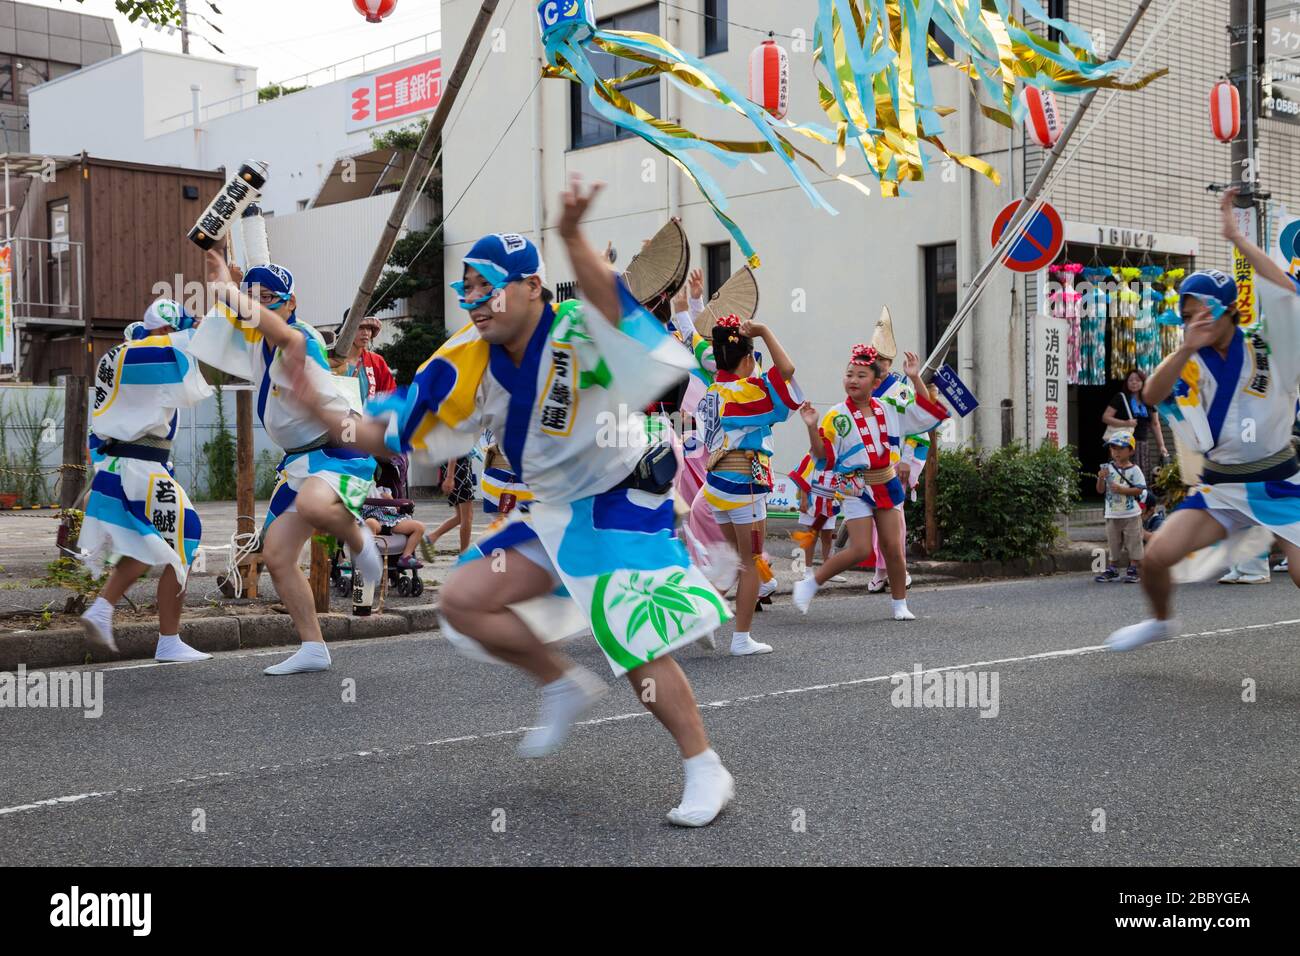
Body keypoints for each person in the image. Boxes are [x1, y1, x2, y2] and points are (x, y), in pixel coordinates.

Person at [296, 176, 736, 826]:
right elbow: (395, 425)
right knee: (464, 599)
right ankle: (559, 681)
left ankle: (706, 767)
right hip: (552, 510)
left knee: (636, 642)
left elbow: (617, 311)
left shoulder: (580, 329)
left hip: (619, 500)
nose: (476, 300)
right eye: (467, 288)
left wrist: (571, 236)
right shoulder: (464, 357)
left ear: (533, 285)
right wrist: (323, 413)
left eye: (489, 284)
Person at [1106, 188, 1300, 652]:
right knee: (1156, 557)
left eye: (1205, 312)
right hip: (1221, 489)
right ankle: (1160, 621)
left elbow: (1286, 289)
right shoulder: (1188, 360)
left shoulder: (1271, 346)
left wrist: (1236, 237)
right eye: (1188, 315)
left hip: (1280, 485)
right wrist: (1186, 346)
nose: (1196, 320)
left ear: (1229, 310)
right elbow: (1151, 395)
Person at [192, 249, 382, 675]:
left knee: (317, 507)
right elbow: (237, 323)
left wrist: (228, 286)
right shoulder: (259, 339)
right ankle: (313, 647)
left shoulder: (300, 337)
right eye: (253, 297)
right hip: (299, 460)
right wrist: (230, 285)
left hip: (337, 448)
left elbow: (274, 330)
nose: (259, 305)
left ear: (291, 303)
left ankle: (361, 543)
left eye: (270, 298)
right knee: (277, 555)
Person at [78, 299, 214, 662]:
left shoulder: (127, 356)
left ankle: (124, 619)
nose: (172, 338)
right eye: (167, 331)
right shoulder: (137, 356)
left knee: (157, 540)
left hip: (138, 465)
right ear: (154, 330)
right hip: (138, 465)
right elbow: (189, 353)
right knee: (171, 537)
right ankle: (152, 633)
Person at [792, 346, 949, 620]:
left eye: (861, 375)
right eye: (849, 374)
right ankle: (810, 582)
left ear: (876, 383)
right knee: (861, 548)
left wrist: (914, 378)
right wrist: (810, 426)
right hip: (855, 486)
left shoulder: (890, 407)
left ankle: (900, 603)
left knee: (893, 547)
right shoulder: (835, 415)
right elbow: (822, 456)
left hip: (886, 483)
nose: (853, 380)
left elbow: (925, 413)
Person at [696, 314, 803, 655]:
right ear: (746, 360)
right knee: (751, 560)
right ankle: (741, 638)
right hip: (744, 484)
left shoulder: (712, 391)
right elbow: (787, 372)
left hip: (715, 485)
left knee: (735, 557)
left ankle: (701, 618)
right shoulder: (748, 392)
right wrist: (766, 330)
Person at [1094, 431, 1146, 584]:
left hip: (1131, 514)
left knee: (1134, 541)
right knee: (1113, 542)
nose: (1116, 452)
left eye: (1120, 448)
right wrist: (1100, 478)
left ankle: (1134, 567)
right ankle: (1112, 568)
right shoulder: (1108, 468)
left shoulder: (1135, 470)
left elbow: (1140, 489)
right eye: (1113, 448)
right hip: (1112, 514)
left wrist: (1122, 490)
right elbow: (1100, 490)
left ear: (1131, 450)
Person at [1103, 368, 1168, 479]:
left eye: (1137, 380)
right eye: (1130, 380)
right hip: (1122, 445)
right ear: (1126, 383)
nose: (1134, 382)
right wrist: (1125, 423)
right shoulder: (1121, 397)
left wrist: (1161, 446)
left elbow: (1155, 424)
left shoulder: (1149, 400)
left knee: (1140, 478)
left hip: (1141, 445)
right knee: (1121, 476)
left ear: (1143, 382)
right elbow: (1106, 417)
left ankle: (1139, 496)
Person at [361, 476, 426, 570]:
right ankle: (371, 557)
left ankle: (406, 557)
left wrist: (390, 500)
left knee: (419, 527)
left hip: (391, 519)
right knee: (369, 523)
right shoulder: (360, 488)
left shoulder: (385, 490)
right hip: (373, 519)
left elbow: (397, 508)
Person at [334, 312, 397, 402]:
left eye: (369, 328)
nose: (366, 333)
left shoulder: (377, 361)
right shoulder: (331, 360)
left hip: (368, 415)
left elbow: (390, 394)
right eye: (360, 327)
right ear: (347, 331)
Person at [424, 455, 475, 554]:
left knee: (461, 517)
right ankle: (464, 555)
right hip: (458, 470)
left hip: (455, 469)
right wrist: (450, 477)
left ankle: (432, 537)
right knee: (467, 517)